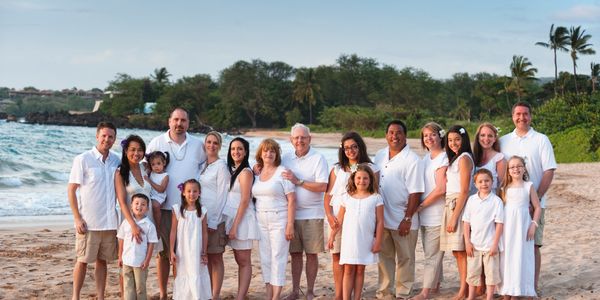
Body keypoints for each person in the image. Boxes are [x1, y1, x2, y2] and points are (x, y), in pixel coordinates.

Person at [147, 107, 207, 300]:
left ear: (188, 123)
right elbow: (143, 168)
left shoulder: (197, 145)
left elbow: (208, 167)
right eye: (176, 120)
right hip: (164, 209)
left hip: (189, 210)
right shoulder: (157, 142)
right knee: (165, 254)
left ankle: (181, 294)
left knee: (185, 255)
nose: (179, 124)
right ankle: (164, 293)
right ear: (169, 121)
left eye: (183, 120)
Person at [499, 101, 557, 294]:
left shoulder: (541, 139)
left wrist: (536, 199)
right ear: (512, 116)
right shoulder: (504, 140)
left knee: (533, 245)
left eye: (525, 114)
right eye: (518, 114)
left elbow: (549, 170)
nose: (521, 117)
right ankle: (510, 287)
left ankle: (532, 287)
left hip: (536, 203)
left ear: (530, 116)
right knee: (509, 247)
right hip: (510, 207)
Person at [68, 122, 124, 300]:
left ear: (114, 139)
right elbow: (71, 190)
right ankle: (75, 296)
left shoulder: (117, 160)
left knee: (103, 261)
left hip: (109, 223)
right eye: (104, 136)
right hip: (89, 222)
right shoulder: (83, 159)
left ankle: (101, 296)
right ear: (97, 136)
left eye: (111, 137)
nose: (107, 139)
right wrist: (77, 218)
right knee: (82, 260)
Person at [324, 131, 379, 300]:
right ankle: (339, 295)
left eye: (354, 147)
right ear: (342, 150)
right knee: (337, 257)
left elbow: (374, 195)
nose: (350, 151)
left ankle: (355, 295)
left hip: (358, 220)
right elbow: (327, 196)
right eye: (346, 148)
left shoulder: (371, 168)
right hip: (337, 218)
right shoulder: (337, 169)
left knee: (355, 260)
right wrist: (329, 215)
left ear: (360, 147)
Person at [374, 120, 424, 299]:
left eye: (399, 133)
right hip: (383, 218)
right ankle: (385, 292)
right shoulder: (380, 155)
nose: (394, 136)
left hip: (404, 219)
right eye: (391, 132)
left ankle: (403, 292)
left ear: (405, 136)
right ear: (386, 135)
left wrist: (408, 218)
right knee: (384, 257)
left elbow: (416, 191)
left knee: (405, 258)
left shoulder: (412, 160)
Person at [281, 123, 329, 300]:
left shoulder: (318, 158)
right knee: (294, 255)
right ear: (291, 139)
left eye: (303, 137)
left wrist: (298, 181)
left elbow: (323, 186)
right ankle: (294, 290)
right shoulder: (285, 158)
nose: (299, 140)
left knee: (311, 254)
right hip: (291, 215)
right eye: (296, 137)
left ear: (310, 139)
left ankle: (309, 290)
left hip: (313, 215)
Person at [328, 164, 384, 300]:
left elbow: (380, 222)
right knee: (348, 269)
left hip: (365, 239)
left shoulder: (376, 198)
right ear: (353, 179)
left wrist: (378, 242)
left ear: (370, 180)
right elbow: (339, 221)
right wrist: (332, 237)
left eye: (365, 178)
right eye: (358, 178)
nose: (361, 181)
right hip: (349, 241)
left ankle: (357, 297)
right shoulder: (347, 197)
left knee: (360, 270)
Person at [253, 139, 296, 300]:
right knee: (265, 257)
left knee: (278, 257)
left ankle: (276, 296)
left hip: (280, 219)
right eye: (265, 151)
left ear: (277, 154)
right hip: (260, 220)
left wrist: (290, 224)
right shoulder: (257, 173)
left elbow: (292, 200)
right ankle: (269, 293)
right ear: (260, 153)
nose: (268, 154)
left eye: (272, 151)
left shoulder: (282, 171)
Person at [413, 122, 447, 300]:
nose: (429, 138)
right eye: (425, 135)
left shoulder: (444, 158)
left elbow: (441, 189)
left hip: (437, 214)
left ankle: (425, 292)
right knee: (431, 253)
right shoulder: (425, 159)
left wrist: (421, 205)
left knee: (432, 256)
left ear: (440, 136)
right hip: (424, 215)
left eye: (432, 134)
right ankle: (436, 286)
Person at [499, 156, 541, 298]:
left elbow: (537, 207)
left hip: (523, 226)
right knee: (507, 256)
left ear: (524, 168)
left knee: (520, 256)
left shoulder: (528, 186)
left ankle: (517, 291)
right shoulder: (504, 188)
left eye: (519, 166)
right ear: (508, 171)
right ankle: (506, 290)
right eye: (512, 167)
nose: (516, 169)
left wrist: (533, 225)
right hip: (507, 227)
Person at [440, 125, 474, 300]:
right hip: (451, 203)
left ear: (464, 140)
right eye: (450, 140)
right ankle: (465, 288)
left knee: (461, 251)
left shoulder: (465, 158)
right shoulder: (456, 158)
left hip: (458, 205)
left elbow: (465, 190)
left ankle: (465, 290)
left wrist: (454, 217)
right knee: (457, 251)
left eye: (457, 140)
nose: (453, 143)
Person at [224, 137, 260, 300]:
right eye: (233, 149)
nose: (236, 152)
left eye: (239, 149)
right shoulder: (231, 169)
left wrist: (234, 227)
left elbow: (245, 200)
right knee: (238, 259)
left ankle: (240, 296)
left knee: (243, 260)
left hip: (242, 220)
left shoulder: (245, 172)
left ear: (245, 152)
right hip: (230, 216)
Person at [462, 169, 504, 300]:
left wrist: (495, 245)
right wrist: (467, 242)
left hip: (490, 244)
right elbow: (466, 222)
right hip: (474, 244)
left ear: (492, 182)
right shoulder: (471, 200)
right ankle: (471, 296)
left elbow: (499, 224)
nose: (484, 184)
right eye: (480, 181)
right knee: (472, 273)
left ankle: (490, 296)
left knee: (491, 273)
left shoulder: (496, 201)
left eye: (487, 181)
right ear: (475, 184)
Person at [199, 131, 230, 300]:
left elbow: (222, 196)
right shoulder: (201, 165)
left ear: (219, 146)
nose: (211, 145)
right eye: (209, 142)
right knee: (205, 258)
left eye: (215, 143)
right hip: (200, 219)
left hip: (214, 221)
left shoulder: (221, 166)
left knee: (216, 257)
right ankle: (208, 292)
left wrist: (214, 221)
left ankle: (215, 295)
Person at [169, 179, 211, 300]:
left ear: (199, 193)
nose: (191, 194)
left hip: (196, 249)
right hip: (183, 249)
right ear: (183, 192)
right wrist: (171, 250)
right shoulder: (177, 209)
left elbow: (204, 232)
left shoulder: (202, 211)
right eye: (188, 191)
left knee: (196, 271)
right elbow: (173, 231)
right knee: (183, 272)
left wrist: (204, 252)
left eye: (195, 191)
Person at [117, 193, 158, 300]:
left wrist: (147, 260)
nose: (139, 206)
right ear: (131, 205)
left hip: (140, 263)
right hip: (126, 261)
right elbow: (121, 239)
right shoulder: (126, 222)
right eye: (136, 203)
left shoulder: (149, 225)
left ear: (147, 208)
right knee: (128, 287)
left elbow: (151, 244)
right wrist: (120, 256)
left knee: (140, 288)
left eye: (143, 204)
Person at [473, 122, 506, 193]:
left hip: (491, 200)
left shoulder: (499, 159)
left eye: (490, 136)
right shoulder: (473, 157)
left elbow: (502, 185)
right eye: (482, 135)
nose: (486, 138)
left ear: (494, 139)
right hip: (473, 200)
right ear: (478, 138)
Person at [145, 150, 170, 232]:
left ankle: (158, 227)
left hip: (159, 196)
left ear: (164, 163)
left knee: (155, 206)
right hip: (151, 194)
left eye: (158, 163)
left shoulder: (165, 176)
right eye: (153, 164)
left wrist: (150, 181)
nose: (156, 166)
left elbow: (161, 189)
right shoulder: (151, 172)